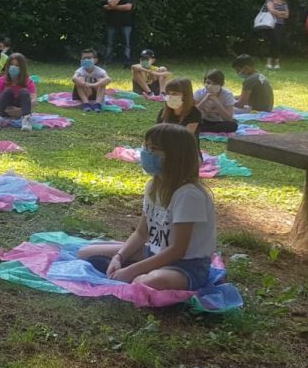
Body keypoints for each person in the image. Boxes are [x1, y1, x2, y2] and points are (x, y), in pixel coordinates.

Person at [77, 123, 216, 291]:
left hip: (186, 265)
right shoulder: (153, 185)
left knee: (147, 283)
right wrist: (118, 257)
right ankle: (125, 269)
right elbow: (142, 232)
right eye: (146, 147)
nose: (146, 153)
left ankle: (134, 274)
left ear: (175, 155)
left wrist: (132, 270)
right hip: (154, 252)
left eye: (154, 149)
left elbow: (178, 250)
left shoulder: (188, 195)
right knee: (85, 253)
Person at [0, 53, 36, 131]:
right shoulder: (2, 80)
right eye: (12, 65)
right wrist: (7, 108)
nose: (13, 67)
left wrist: (20, 111)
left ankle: (26, 119)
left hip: (21, 110)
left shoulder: (28, 82)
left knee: (24, 91)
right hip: (5, 109)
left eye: (17, 65)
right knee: (7, 90)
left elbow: (34, 100)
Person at [104, 0, 135, 68]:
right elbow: (112, 3)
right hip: (111, 23)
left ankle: (127, 63)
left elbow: (128, 7)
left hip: (126, 23)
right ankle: (108, 62)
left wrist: (112, 7)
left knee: (127, 44)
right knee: (110, 44)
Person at [195, 70, 238, 134]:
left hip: (219, 121)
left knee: (233, 125)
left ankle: (204, 130)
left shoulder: (227, 95)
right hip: (203, 120)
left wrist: (216, 102)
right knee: (189, 122)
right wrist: (205, 99)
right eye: (208, 83)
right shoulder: (199, 93)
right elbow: (193, 112)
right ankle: (205, 129)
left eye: (215, 84)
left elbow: (228, 118)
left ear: (221, 84)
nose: (210, 86)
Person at [262, 0, 289, 70]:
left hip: (280, 25)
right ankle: (270, 62)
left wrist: (277, 13)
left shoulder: (284, 2)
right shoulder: (270, 0)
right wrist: (281, 13)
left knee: (278, 43)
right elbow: (271, 10)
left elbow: (287, 15)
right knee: (273, 42)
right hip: (271, 24)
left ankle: (276, 62)